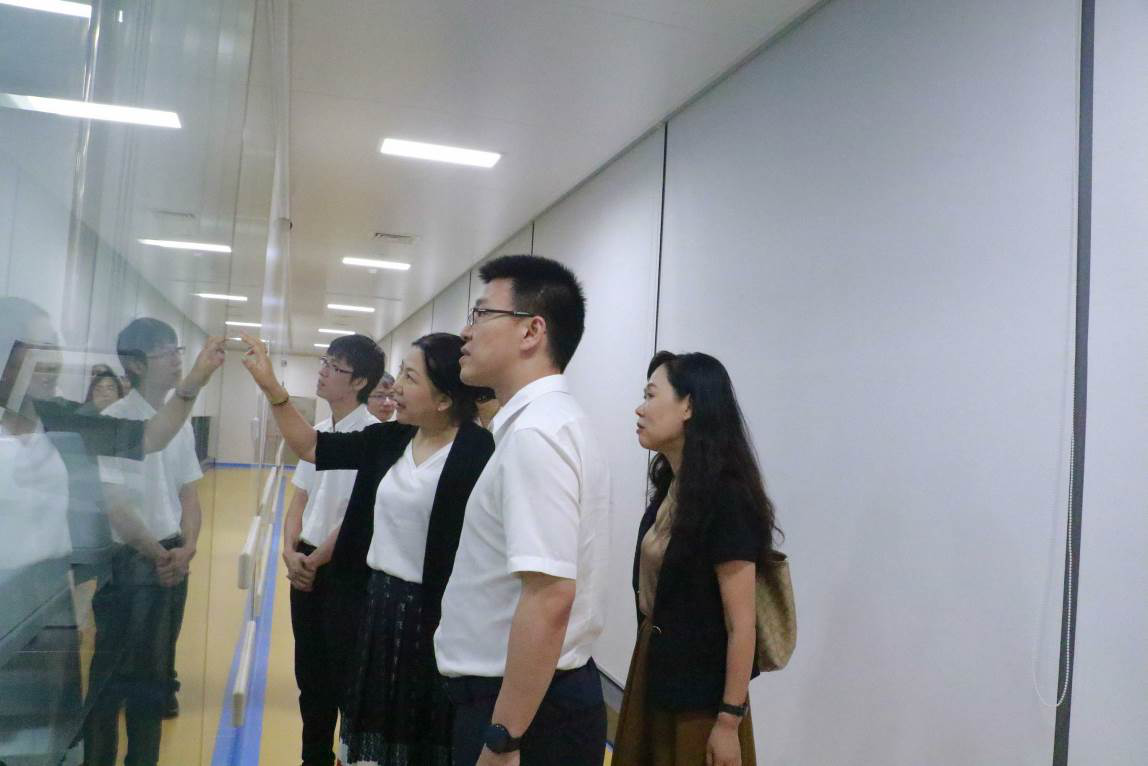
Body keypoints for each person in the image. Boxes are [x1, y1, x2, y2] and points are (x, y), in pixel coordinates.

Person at [237, 331, 493, 766]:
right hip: (375, 604)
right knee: (368, 724)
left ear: (444, 399)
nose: (395, 388)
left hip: (432, 615)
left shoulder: (477, 450)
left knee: (419, 731)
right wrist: (272, 388)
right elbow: (311, 446)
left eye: (410, 377)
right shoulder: (392, 438)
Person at [433, 255, 611, 766]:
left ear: (532, 331)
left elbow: (550, 596)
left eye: (481, 314)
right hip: (534, 697)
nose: (465, 332)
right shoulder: (550, 422)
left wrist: (504, 739)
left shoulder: (536, 435)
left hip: (524, 713)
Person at [613, 351, 781, 766]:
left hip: (700, 702)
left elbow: (742, 625)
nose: (640, 408)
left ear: (688, 406)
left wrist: (728, 721)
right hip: (655, 672)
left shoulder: (727, 499)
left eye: (651, 395)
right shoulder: (672, 487)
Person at [83, 318, 210, 762]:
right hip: (130, 561)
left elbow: (189, 493)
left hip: (171, 557)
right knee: (112, 679)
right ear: (136, 365)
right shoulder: (114, 422)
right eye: (166, 353)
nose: (177, 360)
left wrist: (187, 547)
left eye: (178, 351)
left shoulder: (179, 422)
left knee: (154, 679)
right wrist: (160, 555)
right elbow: (116, 506)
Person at [282, 333, 383, 766]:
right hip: (305, 560)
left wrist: (316, 559)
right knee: (310, 675)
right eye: (324, 362)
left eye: (334, 367)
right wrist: (289, 550)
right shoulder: (319, 432)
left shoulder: (375, 438)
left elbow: (360, 515)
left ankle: (347, 755)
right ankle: (314, 758)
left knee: (344, 675)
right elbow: (299, 498)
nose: (322, 372)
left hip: (342, 567)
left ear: (359, 381)